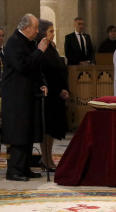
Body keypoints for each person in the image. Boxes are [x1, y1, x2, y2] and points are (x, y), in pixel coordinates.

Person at [2, 13, 49, 182]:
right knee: (19, 133)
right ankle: (14, 171)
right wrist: (39, 51)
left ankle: (24, 168)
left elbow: (35, 68)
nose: (37, 32)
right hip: (16, 97)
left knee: (27, 131)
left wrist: (41, 83)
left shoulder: (27, 43)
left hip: (27, 95)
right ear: (25, 28)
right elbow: (23, 66)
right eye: (35, 28)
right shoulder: (14, 42)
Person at [35, 19, 69, 172]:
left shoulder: (52, 48)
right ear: (42, 32)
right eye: (50, 31)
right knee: (47, 128)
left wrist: (65, 89)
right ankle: (45, 158)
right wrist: (57, 90)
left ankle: (48, 157)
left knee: (53, 128)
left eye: (53, 31)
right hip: (48, 95)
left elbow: (60, 70)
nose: (53, 34)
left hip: (57, 95)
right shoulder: (40, 49)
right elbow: (45, 75)